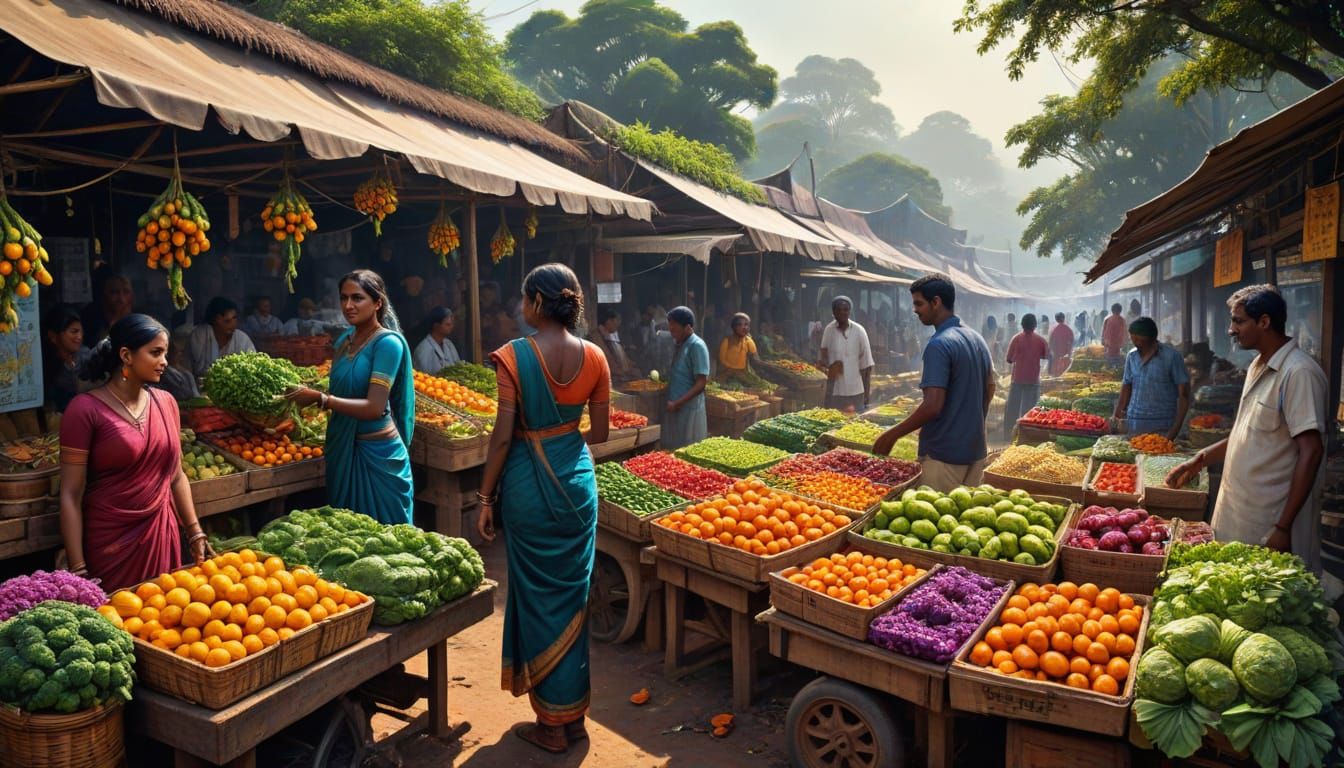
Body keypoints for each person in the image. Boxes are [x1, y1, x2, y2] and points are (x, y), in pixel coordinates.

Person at [474, 264, 610, 755]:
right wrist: (561, 438)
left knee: (535, 601)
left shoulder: (513, 356)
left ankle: (550, 725)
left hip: (529, 485)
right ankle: (571, 716)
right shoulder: (595, 356)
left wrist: (485, 498)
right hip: (576, 483)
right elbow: (600, 435)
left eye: (523, 298)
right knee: (572, 600)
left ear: (535, 302)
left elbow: (502, 436)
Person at [1166, 285, 1327, 574]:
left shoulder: (1298, 373)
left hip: (1269, 523)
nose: (1230, 329)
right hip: (1239, 513)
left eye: (1238, 321)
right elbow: (1246, 431)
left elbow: (1311, 451)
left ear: (1264, 322)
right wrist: (1200, 459)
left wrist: (1282, 526)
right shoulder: (1257, 365)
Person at [57, 314, 210, 589]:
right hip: (110, 545)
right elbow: (70, 494)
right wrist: (78, 568)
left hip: (161, 536)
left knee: (164, 619)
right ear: (126, 355)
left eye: (165, 352)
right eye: (156, 353)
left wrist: (195, 532)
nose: (165, 361)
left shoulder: (166, 403)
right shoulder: (83, 411)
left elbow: (176, 477)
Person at [286, 271, 415, 524]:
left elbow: (374, 407)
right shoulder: (345, 341)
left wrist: (321, 399)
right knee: (349, 537)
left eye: (357, 298)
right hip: (344, 449)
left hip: (378, 456)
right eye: (343, 298)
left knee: (389, 541)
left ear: (378, 303)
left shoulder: (388, 344)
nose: (348, 305)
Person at [874, 273, 994, 491]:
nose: (915, 310)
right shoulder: (977, 338)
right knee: (964, 521)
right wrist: (972, 425)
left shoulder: (939, 344)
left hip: (944, 456)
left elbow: (932, 406)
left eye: (919, 303)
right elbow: (990, 389)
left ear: (936, 302)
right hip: (975, 452)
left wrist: (892, 435)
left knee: (939, 522)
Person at [1112, 317, 1190, 440]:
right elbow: (1126, 386)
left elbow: (1184, 395)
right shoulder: (1131, 356)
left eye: (1139, 339)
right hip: (1135, 420)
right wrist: (1116, 417)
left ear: (1151, 338)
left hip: (1163, 422)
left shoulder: (1172, 357)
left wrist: (1174, 430)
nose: (1135, 342)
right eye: (1133, 338)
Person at [663, 307, 710, 450]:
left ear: (688, 327)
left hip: (690, 409)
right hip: (678, 408)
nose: (672, 333)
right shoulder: (681, 344)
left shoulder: (697, 346)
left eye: (674, 330)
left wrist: (677, 403)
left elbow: (701, 383)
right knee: (677, 450)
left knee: (690, 450)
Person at [819, 296, 875, 411]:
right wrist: (829, 367)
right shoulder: (829, 330)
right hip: (836, 392)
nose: (842, 312)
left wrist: (866, 395)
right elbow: (823, 357)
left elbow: (867, 366)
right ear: (833, 312)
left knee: (856, 424)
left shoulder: (859, 331)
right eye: (838, 309)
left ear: (850, 311)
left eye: (845, 309)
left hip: (856, 391)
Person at [1003, 314, 1049, 442]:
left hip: (1017, 378)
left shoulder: (1016, 338)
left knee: (1012, 407)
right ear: (1035, 325)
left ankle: (1008, 434)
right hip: (1033, 379)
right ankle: (1028, 437)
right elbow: (1047, 356)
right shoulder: (1041, 340)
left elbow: (1008, 359)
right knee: (1030, 410)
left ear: (1022, 324)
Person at [187, 297, 255, 380]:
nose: (232, 324)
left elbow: (252, 367)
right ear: (215, 320)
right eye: (227, 321)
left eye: (234, 319)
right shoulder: (200, 335)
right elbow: (187, 367)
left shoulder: (242, 339)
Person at [43, 306, 87, 413]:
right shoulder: (45, 367)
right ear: (53, 336)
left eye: (81, 331)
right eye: (74, 332)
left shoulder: (86, 356)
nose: (79, 337)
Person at [80, 270, 134, 348]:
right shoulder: (90, 318)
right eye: (115, 292)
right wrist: (116, 320)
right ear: (104, 295)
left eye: (126, 292)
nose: (121, 299)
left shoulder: (137, 318)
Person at [590, 307, 638, 381]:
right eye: (618, 320)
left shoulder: (611, 334)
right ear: (609, 321)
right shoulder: (596, 337)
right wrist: (622, 372)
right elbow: (608, 361)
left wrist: (630, 365)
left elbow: (622, 358)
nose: (619, 323)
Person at [154, 330, 200, 401]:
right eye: (176, 351)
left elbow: (195, 395)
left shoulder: (186, 373)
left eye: (181, 351)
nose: (179, 354)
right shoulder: (165, 372)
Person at [413, 307, 461, 374]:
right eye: (448, 325)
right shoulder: (423, 349)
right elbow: (425, 377)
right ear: (436, 326)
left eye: (452, 324)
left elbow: (459, 367)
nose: (451, 327)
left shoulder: (449, 344)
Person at [718, 313, 759, 380]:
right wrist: (733, 371)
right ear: (734, 327)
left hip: (742, 375)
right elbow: (722, 361)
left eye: (746, 325)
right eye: (739, 325)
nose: (744, 327)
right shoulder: (727, 341)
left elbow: (756, 360)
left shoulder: (749, 341)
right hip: (726, 375)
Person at [1049, 311, 1075, 376]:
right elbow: (1071, 343)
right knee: (1064, 374)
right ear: (1064, 318)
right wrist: (1069, 353)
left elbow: (1050, 343)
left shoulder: (1052, 329)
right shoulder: (1068, 329)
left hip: (1056, 356)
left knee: (1055, 374)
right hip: (1066, 356)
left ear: (1056, 319)